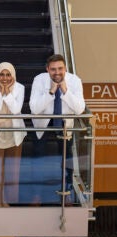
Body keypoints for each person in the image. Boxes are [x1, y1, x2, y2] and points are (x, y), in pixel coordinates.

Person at [29, 54, 85, 204]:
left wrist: (66, 91)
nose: (57, 72)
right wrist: (51, 92)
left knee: (67, 160)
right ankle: (36, 195)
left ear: (65, 68)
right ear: (47, 69)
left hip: (65, 124)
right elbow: (34, 108)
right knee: (38, 159)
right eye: (53, 69)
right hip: (43, 123)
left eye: (60, 68)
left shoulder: (75, 81)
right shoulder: (39, 80)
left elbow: (79, 109)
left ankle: (66, 192)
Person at [0, 62, 26, 207]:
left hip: (14, 134)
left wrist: (7, 91)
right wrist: (0, 91)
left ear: (13, 75)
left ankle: (8, 200)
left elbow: (15, 109)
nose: (5, 78)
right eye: (2, 74)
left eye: (8, 74)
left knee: (12, 169)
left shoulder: (20, 88)